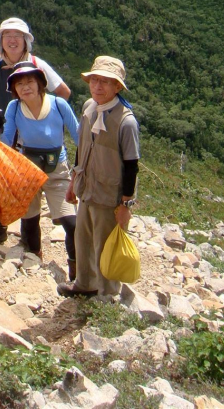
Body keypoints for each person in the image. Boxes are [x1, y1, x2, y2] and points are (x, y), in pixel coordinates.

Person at [0, 17, 71, 243]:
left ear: (26, 41)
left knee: (29, 185)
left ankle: (29, 242)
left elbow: (63, 92)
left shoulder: (38, 64)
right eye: (7, 36)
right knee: (0, 179)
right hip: (3, 134)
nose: (12, 40)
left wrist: (46, 113)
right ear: (1, 41)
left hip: (30, 140)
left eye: (17, 36)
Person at [57, 56, 140, 299]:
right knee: (83, 240)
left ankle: (108, 296)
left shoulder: (126, 121)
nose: (98, 87)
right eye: (94, 80)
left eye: (105, 82)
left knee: (106, 246)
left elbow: (132, 166)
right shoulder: (88, 108)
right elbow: (82, 149)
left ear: (117, 87)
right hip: (87, 189)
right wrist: (73, 182)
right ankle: (85, 284)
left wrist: (126, 205)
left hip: (109, 196)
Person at [0, 62, 79, 278]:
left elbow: (79, 135)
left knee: (71, 221)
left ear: (40, 84)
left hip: (58, 169)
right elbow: (7, 138)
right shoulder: (14, 108)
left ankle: (76, 271)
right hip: (28, 168)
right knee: (30, 216)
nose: (25, 87)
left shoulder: (59, 104)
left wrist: (81, 168)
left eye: (30, 82)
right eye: (20, 83)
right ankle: (33, 258)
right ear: (14, 89)